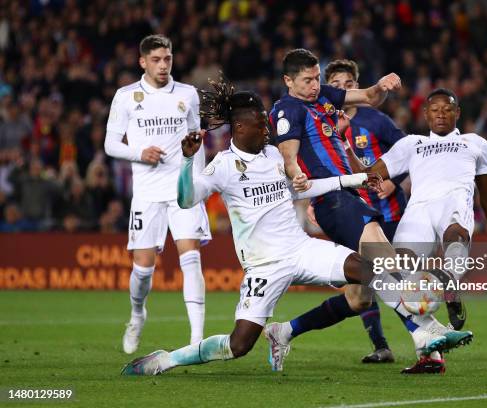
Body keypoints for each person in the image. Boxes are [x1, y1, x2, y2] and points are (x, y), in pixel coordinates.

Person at [120, 85, 455, 376]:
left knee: (369, 269)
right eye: (258, 119)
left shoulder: (273, 155)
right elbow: (186, 197)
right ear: (238, 126)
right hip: (264, 266)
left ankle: (425, 329)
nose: (267, 124)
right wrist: (188, 161)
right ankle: (167, 359)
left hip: (301, 248)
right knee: (239, 345)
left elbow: (302, 188)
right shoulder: (222, 166)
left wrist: (354, 179)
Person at [267, 49, 471, 374]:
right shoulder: (287, 108)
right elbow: (289, 155)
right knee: (385, 260)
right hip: (333, 198)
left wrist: (382, 84)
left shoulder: (323, 99)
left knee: (360, 296)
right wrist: (296, 173)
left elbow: (367, 96)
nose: (314, 86)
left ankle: (284, 331)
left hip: (348, 194)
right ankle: (426, 333)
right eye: (306, 80)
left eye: (316, 78)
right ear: (288, 81)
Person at [351, 88, 487, 373]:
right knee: (397, 276)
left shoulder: (474, 143)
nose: (441, 114)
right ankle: (430, 356)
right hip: (418, 212)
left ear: (458, 113)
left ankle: (448, 281)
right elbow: (369, 174)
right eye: (435, 110)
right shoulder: (411, 144)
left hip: (452, 204)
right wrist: (343, 147)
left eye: (447, 109)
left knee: (456, 234)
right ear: (425, 114)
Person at [104, 34, 210, 354]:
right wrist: (139, 153)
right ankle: (137, 315)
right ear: (143, 62)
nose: (163, 66)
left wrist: (199, 183)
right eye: (156, 60)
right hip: (147, 193)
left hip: (181, 189)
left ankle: (196, 341)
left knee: (190, 258)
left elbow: (197, 140)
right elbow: (111, 144)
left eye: (167, 59)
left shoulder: (189, 94)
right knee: (143, 269)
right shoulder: (126, 97)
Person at [322, 59, 408, 363]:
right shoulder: (321, 124)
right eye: (336, 85)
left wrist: (394, 182)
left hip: (392, 213)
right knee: (364, 281)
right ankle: (381, 345)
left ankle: (427, 336)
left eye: (348, 84)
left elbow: (406, 151)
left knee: (398, 275)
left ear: (357, 87)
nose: (343, 90)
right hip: (353, 213)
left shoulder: (375, 120)